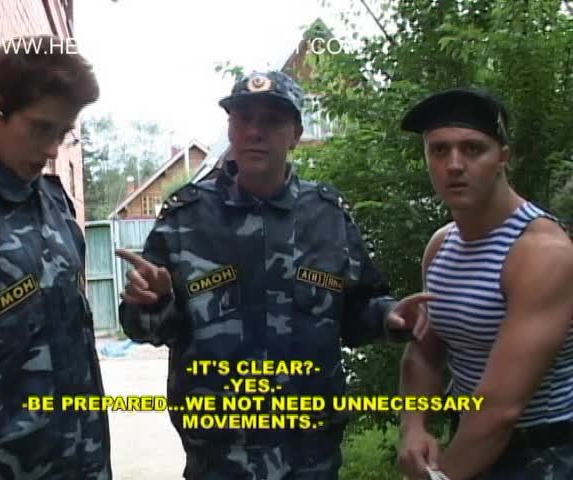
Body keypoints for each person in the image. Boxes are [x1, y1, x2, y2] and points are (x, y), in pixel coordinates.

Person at [117, 70, 432, 479]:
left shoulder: (327, 217)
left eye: (271, 121)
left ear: (295, 134)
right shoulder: (186, 218)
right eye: (243, 119)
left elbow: (357, 311)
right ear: (230, 129)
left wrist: (389, 316)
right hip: (218, 458)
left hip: (310, 457)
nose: (255, 132)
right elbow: (147, 329)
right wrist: (152, 304)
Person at [0, 35, 111, 479]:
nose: (52, 151)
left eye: (62, 134)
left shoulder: (56, 205)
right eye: (41, 128)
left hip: (82, 461)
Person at [397, 88, 573, 479]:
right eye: (439, 150)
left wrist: (443, 476)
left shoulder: (542, 252)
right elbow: (425, 350)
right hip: (472, 436)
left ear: (503, 158)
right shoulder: (442, 246)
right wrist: (413, 424)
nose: (454, 165)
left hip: (543, 454)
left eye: (473, 149)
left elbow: (500, 409)